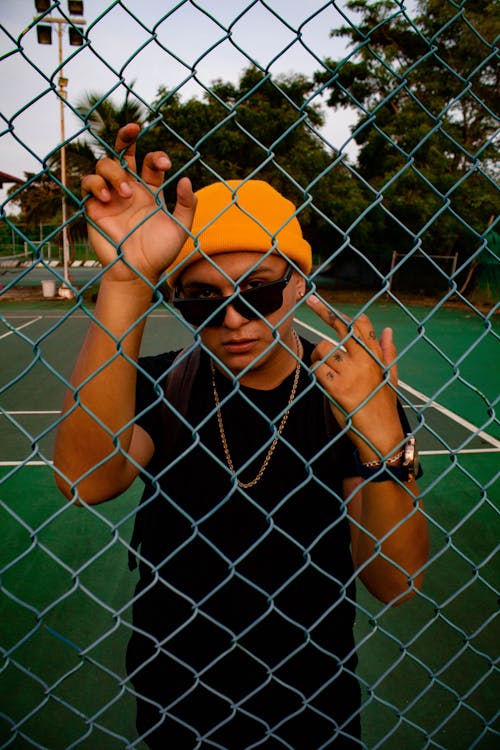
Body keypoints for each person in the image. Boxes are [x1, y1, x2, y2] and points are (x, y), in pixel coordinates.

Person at [54, 123, 429, 749]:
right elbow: (86, 480)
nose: (232, 319)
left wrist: (382, 438)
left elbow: (396, 582)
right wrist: (124, 282)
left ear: (300, 284)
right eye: (201, 297)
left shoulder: (350, 394)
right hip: (177, 698)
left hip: (314, 700)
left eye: (258, 290)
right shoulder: (162, 386)